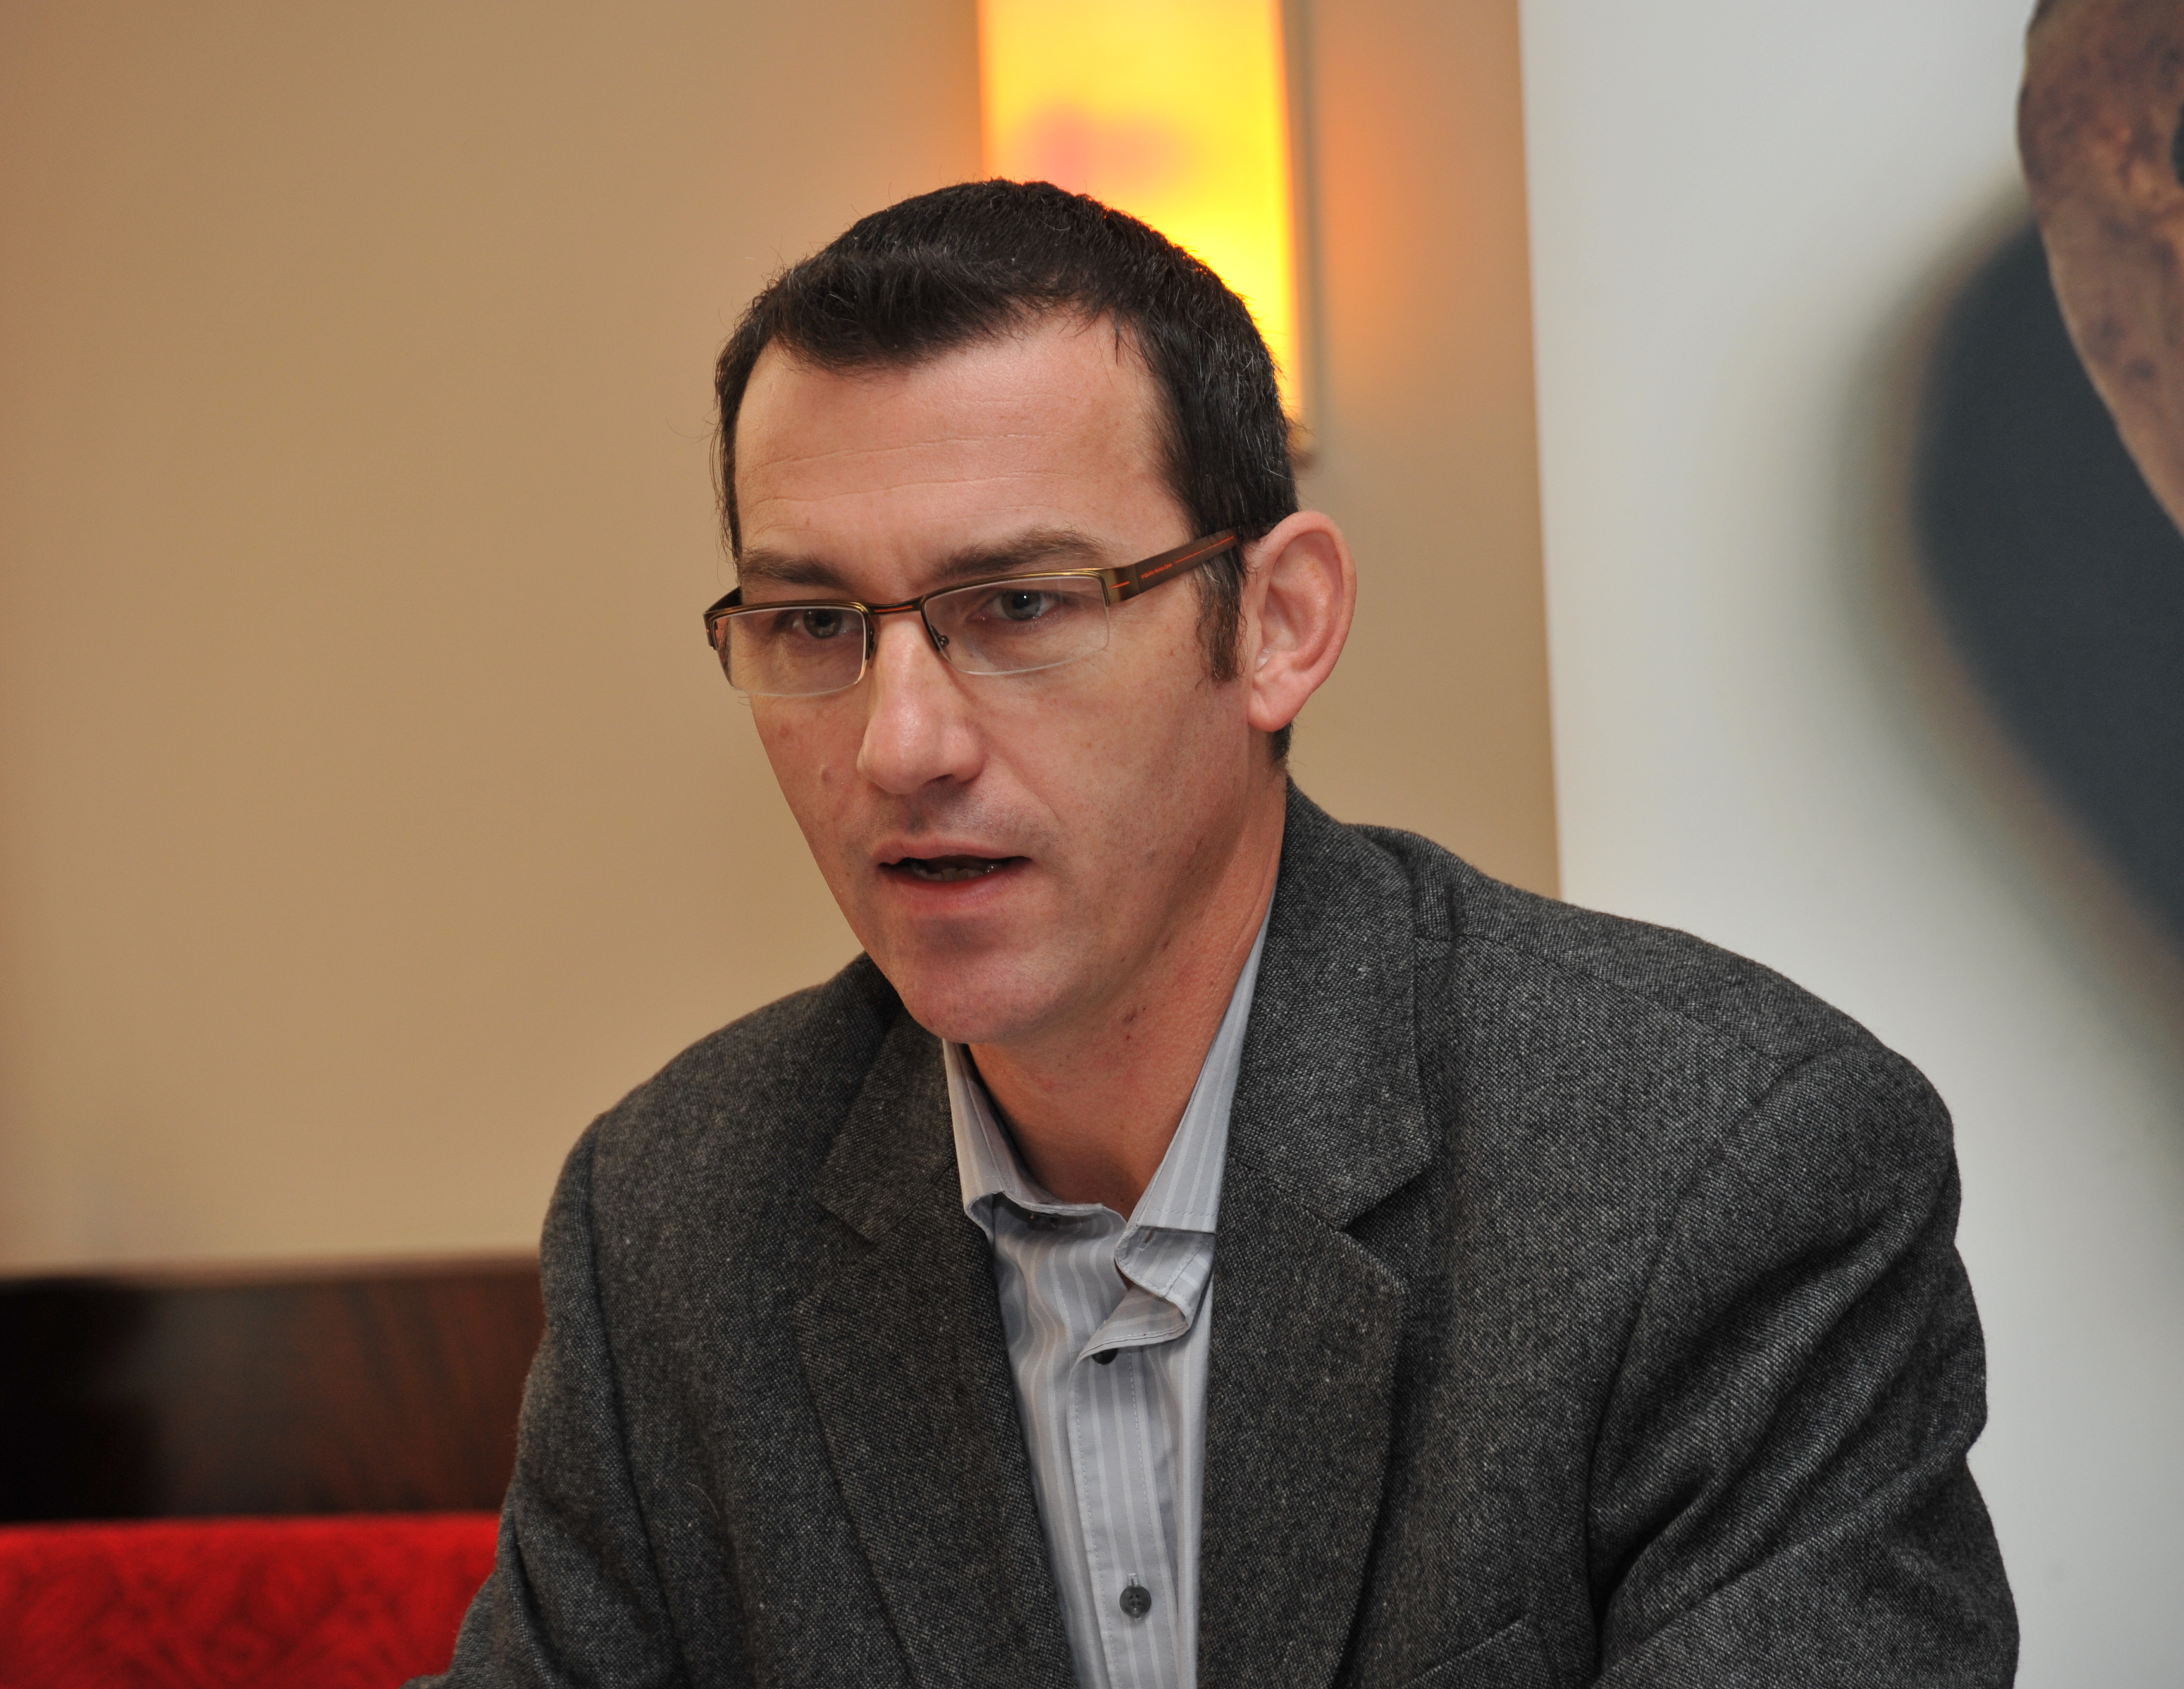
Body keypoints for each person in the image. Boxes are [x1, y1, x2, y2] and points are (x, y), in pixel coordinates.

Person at [425, 181, 2015, 1688]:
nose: (900, 745)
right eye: (812, 624)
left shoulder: (1710, 1168)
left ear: (1277, 623)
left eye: (1021, 605)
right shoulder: (678, 1219)